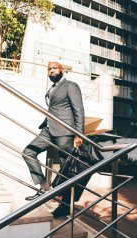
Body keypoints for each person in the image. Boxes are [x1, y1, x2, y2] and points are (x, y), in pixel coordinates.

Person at [22, 61, 84, 217]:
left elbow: (79, 111)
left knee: (66, 169)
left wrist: (79, 134)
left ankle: (65, 206)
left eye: (54, 68)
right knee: (28, 152)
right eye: (49, 69)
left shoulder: (71, 86)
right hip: (48, 129)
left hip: (64, 132)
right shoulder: (52, 88)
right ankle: (44, 187)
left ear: (62, 70)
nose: (51, 71)